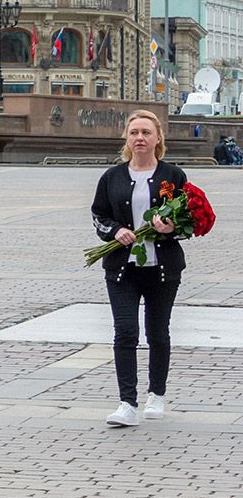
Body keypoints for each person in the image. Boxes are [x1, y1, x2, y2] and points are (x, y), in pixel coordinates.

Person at [90, 109, 188, 427]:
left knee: (157, 332)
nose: (140, 138)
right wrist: (115, 231)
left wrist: (169, 228)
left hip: (162, 269)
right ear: (127, 139)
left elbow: (189, 223)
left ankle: (156, 394)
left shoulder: (173, 176)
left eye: (146, 132)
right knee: (125, 331)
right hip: (122, 267)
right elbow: (99, 215)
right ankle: (127, 403)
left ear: (158, 138)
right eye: (134, 133)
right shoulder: (112, 177)